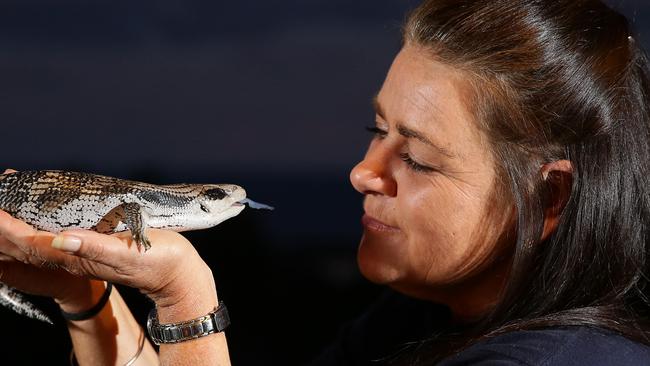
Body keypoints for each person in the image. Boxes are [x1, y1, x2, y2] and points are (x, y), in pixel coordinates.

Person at [2, 0, 650, 364]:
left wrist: (184, 298)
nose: (363, 173)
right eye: (377, 130)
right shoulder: (416, 321)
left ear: (549, 197)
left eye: (418, 160)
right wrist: (86, 295)